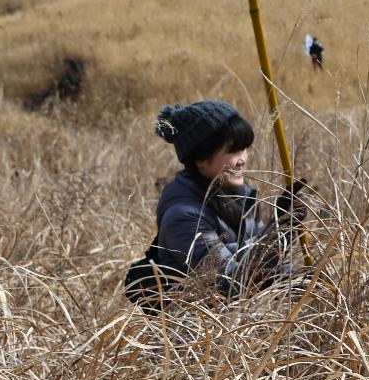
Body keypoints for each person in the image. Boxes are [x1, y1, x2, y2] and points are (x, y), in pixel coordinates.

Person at [124, 100, 295, 306]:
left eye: (244, 149)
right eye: (233, 151)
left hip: (242, 325)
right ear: (201, 158)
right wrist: (278, 235)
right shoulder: (183, 216)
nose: (243, 159)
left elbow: (268, 265)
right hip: (200, 334)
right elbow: (228, 286)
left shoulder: (240, 195)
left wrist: (301, 283)